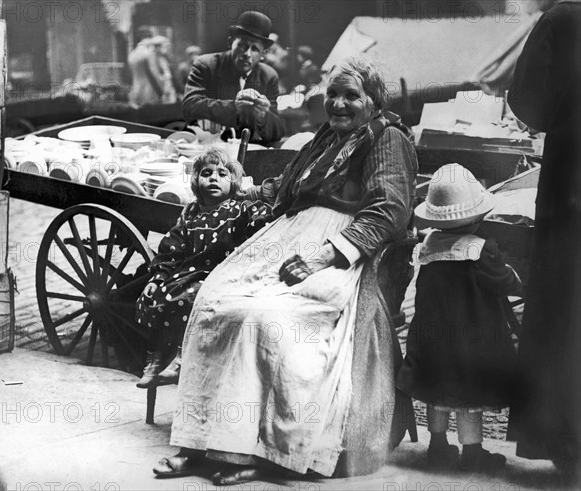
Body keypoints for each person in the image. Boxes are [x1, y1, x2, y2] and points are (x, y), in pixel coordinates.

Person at [153, 55, 418, 484]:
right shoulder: (326, 136)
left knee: (266, 319)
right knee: (215, 303)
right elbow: (290, 183)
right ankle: (200, 442)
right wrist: (248, 189)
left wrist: (324, 255)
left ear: (373, 100)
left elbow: (390, 209)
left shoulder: (387, 139)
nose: (339, 104)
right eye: (333, 94)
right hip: (286, 241)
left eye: (352, 95)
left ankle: (259, 451)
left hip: (339, 253)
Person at [397, 164, 523, 472]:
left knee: (437, 391)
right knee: (468, 398)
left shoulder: (427, 246)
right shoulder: (482, 251)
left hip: (432, 339)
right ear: (478, 215)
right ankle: (473, 452)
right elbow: (505, 283)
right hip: (471, 343)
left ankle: (438, 446)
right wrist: (514, 276)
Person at [506, 0, 581, 474]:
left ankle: (566, 443)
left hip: (572, 182)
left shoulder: (563, 17)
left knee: (565, 306)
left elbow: (527, 102)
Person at [135, 149, 272, 388]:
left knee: (190, 298)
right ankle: (156, 357)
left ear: (234, 182)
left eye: (222, 174)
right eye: (206, 173)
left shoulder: (240, 210)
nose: (213, 178)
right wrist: (156, 279)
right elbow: (170, 250)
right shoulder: (190, 216)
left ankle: (181, 356)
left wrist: (266, 212)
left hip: (221, 275)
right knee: (157, 296)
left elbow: (259, 219)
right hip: (187, 274)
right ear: (196, 180)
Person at [181, 11, 284, 145]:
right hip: (205, 146)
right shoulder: (206, 65)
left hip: (246, 151)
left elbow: (278, 132)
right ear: (230, 43)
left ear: (263, 54)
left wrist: (263, 116)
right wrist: (235, 107)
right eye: (243, 45)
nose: (247, 54)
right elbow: (189, 107)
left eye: (255, 49)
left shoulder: (269, 75)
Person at [128, 34, 166, 108]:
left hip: (136, 89)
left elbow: (131, 74)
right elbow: (154, 74)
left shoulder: (131, 54)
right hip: (149, 91)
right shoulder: (149, 54)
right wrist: (161, 91)